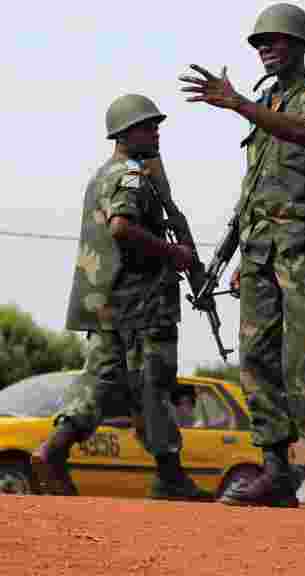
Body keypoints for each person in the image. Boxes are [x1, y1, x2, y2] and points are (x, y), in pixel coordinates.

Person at [179, 2, 305, 510]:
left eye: (273, 41)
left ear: (300, 45)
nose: (263, 50)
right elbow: (253, 189)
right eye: (258, 43)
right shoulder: (265, 100)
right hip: (257, 252)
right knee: (257, 363)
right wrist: (226, 253)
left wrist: (237, 105)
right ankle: (276, 469)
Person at [32, 94, 211, 502]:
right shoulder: (130, 175)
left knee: (100, 380)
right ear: (125, 134)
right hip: (139, 302)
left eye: (156, 125)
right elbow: (121, 228)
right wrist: (176, 255)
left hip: (109, 301)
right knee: (153, 381)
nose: (156, 132)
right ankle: (169, 475)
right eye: (148, 126)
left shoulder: (107, 173)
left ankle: (54, 451)